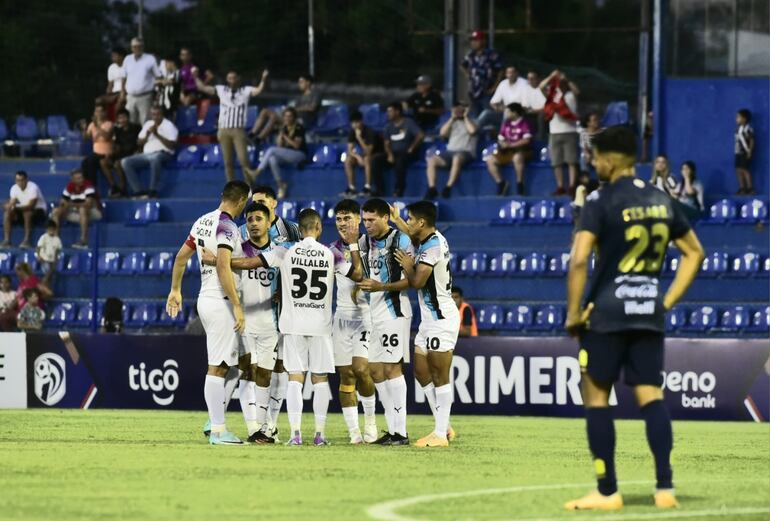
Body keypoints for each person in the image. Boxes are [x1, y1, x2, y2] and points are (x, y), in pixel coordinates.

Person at [564, 126, 705, 511]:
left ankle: (607, 491)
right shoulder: (661, 199)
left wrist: (574, 314)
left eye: (596, 158)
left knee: (596, 396)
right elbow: (695, 253)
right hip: (648, 312)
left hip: (607, 313)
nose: (594, 165)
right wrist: (666, 302)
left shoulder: (599, 200)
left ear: (609, 159)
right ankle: (665, 488)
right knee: (650, 395)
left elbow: (579, 260)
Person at [221, 208, 363, 445]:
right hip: (321, 326)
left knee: (295, 380)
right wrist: (354, 245)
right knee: (320, 381)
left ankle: (295, 435)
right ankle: (319, 435)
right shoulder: (332, 253)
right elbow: (357, 275)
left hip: (293, 324)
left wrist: (216, 260)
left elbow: (249, 263)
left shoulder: (284, 250)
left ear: (300, 227)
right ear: (318, 228)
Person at [165, 180, 252, 445]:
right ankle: (217, 430)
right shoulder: (227, 225)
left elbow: (181, 257)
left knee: (228, 364)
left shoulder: (202, 221)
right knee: (217, 367)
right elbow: (223, 267)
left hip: (206, 298)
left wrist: (175, 290)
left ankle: (216, 424)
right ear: (240, 201)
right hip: (221, 301)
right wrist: (237, 306)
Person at [199, 201, 282, 443]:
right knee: (247, 370)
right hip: (243, 322)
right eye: (250, 219)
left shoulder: (278, 251)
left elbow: (263, 269)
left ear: (269, 222)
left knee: (264, 374)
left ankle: (264, 427)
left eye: (259, 219)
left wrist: (218, 261)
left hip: (270, 322)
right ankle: (253, 427)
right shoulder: (237, 248)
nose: (254, 223)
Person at [393, 201, 460, 448]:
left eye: (410, 219)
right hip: (429, 320)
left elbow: (418, 282)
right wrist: (396, 220)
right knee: (421, 371)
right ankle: (444, 425)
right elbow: (411, 234)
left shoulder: (432, 246)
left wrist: (408, 267)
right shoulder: (427, 238)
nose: (407, 223)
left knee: (440, 375)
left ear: (421, 222)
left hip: (441, 319)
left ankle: (440, 434)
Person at [238, 185, 301, 441]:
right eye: (254, 204)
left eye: (263, 202)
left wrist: (286, 292)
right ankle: (255, 426)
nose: (259, 207)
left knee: (279, 368)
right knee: (246, 370)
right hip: (252, 314)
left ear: (274, 204)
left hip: (282, 313)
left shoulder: (291, 230)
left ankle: (270, 423)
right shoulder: (243, 234)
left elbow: (298, 265)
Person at [358, 198, 413, 446]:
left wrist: (381, 286)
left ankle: (400, 432)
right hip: (373, 314)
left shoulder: (400, 240)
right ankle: (392, 429)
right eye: (364, 219)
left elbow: (411, 280)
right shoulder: (362, 242)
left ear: (385, 218)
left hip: (394, 311)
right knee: (375, 370)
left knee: (392, 368)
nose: (366, 224)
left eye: (371, 220)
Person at [328, 199, 379, 444]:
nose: (342, 223)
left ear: (358, 220)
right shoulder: (334, 250)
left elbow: (363, 277)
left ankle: (370, 421)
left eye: (347, 218)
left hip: (365, 317)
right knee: (346, 375)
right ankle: (354, 433)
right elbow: (357, 276)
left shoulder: (373, 245)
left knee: (361, 369)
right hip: (342, 318)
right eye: (338, 219)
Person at [194, 68, 268, 184]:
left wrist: (263, 79)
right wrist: (195, 77)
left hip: (238, 130)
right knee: (228, 161)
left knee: (244, 160)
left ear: (238, 79)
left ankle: (249, 186)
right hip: (224, 129)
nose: (232, 80)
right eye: (229, 78)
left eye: (234, 78)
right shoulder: (221, 89)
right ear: (227, 80)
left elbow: (258, 90)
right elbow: (203, 88)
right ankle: (231, 187)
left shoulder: (245, 90)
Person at [121, 105, 178, 198]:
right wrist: (147, 135)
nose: (155, 117)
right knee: (125, 162)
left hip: (164, 153)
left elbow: (172, 146)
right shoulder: (148, 124)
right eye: (153, 115)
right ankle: (138, 191)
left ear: (162, 114)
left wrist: (157, 134)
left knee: (155, 159)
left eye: (157, 114)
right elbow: (139, 143)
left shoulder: (169, 125)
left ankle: (153, 190)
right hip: (146, 154)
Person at [425, 102, 478, 199]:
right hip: (449, 152)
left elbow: (473, 131)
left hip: (466, 152)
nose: (458, 110)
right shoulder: (451, 122)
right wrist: (452, 118)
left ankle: (448, 187)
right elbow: (442, 133)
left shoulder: (473, 121)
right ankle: (432, 188)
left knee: (456, 158)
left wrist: (465, 116)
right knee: (431, 160)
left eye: (461, 108)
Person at [540, 70, 580, 196]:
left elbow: (577, 91)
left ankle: (572, 185)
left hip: (570, 131)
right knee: (556, 161)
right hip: (555, 132)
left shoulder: (570, 96)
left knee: (571, 160)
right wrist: (551, 76)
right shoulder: (552, 97)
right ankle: (560, 186)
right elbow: (541, 87)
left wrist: (566, 79)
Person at [249, 74, 320, 140]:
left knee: (274, 117)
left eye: (301, 82)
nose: (299, 84)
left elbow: (312, 108)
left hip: (303, 121)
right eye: (299, 82)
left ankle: (259, 139)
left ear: (308, 83)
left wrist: (296, 109)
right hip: (292, 118)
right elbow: (294, 111)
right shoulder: (300, 97)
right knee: (265, 111)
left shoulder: (315, 95)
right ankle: (252, 134)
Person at [255, 108, 306, 199]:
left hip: (300, 154)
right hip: (288, 154)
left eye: (289, 116)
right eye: (285, 116)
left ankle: (257, 172)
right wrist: (280, 135)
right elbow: (280, 146)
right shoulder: (284, 128)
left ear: (294, 118)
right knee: (272, 159)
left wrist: (285, 136)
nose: (287, 118)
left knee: (271, 150)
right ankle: (281, 185)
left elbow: (296, 146)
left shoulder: (299, 127)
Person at [485, 103, 532, 196]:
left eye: (508, 111)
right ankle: (501, 183)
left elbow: (526, 140)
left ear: (514, 113)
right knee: (490, 159)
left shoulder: (525, 123)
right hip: (507, 151)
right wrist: (503, 144)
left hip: (523, 150)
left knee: (517, 157)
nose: (505, 113)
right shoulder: (506, 124)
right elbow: (500, 138)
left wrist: (511, 145)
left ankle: (520, 183)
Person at [51, 170, 104, 249]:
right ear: (72, 180)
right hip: (77, 212)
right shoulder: (70, 186)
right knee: (55, 211)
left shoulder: (88, 185)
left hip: (94, 212)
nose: (81, 180)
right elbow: (63, 201)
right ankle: (55, 241)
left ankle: (84, 241)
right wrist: (62, 207)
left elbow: (88, 204)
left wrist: (70, 204)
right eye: (78, 178)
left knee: (82, 209)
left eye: (81, 177)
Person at [384, 103, 424, 198]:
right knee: (376, 160)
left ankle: (399, 190)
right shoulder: (388, 126)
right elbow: (386, 143)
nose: (388, 113)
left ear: (397, 112)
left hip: (407, 153)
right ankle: (378, 190)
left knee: (400, 161)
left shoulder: (408, 123)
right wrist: (389, 154)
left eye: (390, 111)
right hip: (393, 153)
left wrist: (412, 147)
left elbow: (420, 135)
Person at [341, 110, 384, 198]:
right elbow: (349, 150)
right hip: (362, 155)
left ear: (361, 121)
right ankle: (351, 188)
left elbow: (368, 151)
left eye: (356, 123)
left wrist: (359, 138)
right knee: (348, 160)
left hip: (377, 154)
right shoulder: (352, 132)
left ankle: (367, 188)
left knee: (367, 158)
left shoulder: (369, 131)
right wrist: (358, 157)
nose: (354, 125)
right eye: (352, 123)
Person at [461, 30, 504, 116]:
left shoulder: (491, 54)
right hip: (474, 91)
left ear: (483, 41)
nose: (473, 42)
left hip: (487, 90)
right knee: (476, 116)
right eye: (472, 40)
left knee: (488, 114)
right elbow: (462, 65)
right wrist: (468, 74)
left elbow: (500, 70)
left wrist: (495, 87)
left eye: (476, 40)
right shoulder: (471, 55)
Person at [120, 37, 161, 124]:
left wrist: (157, 94)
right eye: (135, 47)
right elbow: (123, 77)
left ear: (143, 47)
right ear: (131, 48)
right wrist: (122, 92)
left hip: (145, 96)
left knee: (145, 121)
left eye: (139, 46)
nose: (137, 49)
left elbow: (158, 76)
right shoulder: (127, 59)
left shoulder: (150, 59)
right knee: (130, 121)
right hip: (131, 96)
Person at [2, 171, 47, 249]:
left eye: (22, 180)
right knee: (7, 213)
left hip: (39, 211)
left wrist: (14, 207)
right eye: (17, 180)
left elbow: (31, 206)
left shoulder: (33, 187)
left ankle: (26, 240)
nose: (20, 183)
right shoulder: (14, 188)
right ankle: (7, 240)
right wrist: (8, 206)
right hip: (23, 210)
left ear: (26, 180)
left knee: (27, 213)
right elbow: (12, 202)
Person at [478, 66, 529, 132]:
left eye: (512, 72)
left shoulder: (524, 83)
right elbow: (493, 102)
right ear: (506, 74)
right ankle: (473, 131)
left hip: (519, 113)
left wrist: (508, 110)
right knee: (486, 113)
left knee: (507, 114)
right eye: (508, 73)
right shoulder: (503, 83)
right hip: (503, 111)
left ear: (517, 73)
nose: (510, 75)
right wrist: (497, 108)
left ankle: (502, 137)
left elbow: (525, 105)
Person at [80, 104, 114, 185]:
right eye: (96, 111)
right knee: (85, 162)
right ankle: (87, 185)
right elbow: (85, 139)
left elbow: (107, 137)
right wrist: (84, 129)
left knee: (91, 161)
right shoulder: (91, 125)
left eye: (100, 111)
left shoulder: (109, 124)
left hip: (106, 153)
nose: (98, 113)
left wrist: (97, 126)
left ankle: (93, 186)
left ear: (105, 113)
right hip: (95, 153)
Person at [109, 109, 140, 197]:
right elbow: (117, 145)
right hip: (121, 153)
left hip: (132, 153)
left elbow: (139, 143)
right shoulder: (118, 131)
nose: (122, 120)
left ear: (128, 118)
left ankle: (123, 188)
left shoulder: (136, 128)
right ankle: (113, 187)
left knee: (117, 164)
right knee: (104, 162)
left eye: (124, 117)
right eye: (120, 118)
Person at [95, 48, 126, 114]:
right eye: (112, 56)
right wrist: (108, 94)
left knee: (119, 103)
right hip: (114, 93)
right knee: (99, 100)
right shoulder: (111, 67)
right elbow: (110, 84)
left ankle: (114, 121)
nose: (112, 57)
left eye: (115, 55)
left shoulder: (127, 66)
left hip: (124, 92)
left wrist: (121, 94)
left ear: (121, 56)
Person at [35, 220, 62, 287]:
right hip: (44, 259)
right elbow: (38, 247)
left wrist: (56, 259)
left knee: (50, 275)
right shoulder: (43, 237)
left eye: (53, 229)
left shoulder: (57, 239)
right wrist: (38, 256)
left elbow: (57, 250)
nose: (51, 231)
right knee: (48, 273)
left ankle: (46, 287)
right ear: (46, 229)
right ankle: (42, 286)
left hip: (52, 260)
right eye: (49, 229)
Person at [735, 108, 755, 195]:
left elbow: (752, 140)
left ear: (744, 118)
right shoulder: (738, 129)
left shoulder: (748, 129)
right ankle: (742, 188)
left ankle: (750, 188)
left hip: (745, 152)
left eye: (738, 117)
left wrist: (750, 151)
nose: (736, 119)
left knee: (745, 170)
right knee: (738, 170)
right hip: (738, 152)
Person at [524, 71, 547, 139]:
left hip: (543, 113)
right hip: (530, 112)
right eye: (528, 79)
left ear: (538, 79)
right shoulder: (526, 89)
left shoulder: (545, 89)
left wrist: (535, 110)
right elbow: (525, 105)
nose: (530, 81)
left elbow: (548, 107)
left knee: (541, 115)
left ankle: (541, 138)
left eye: (532, 78)